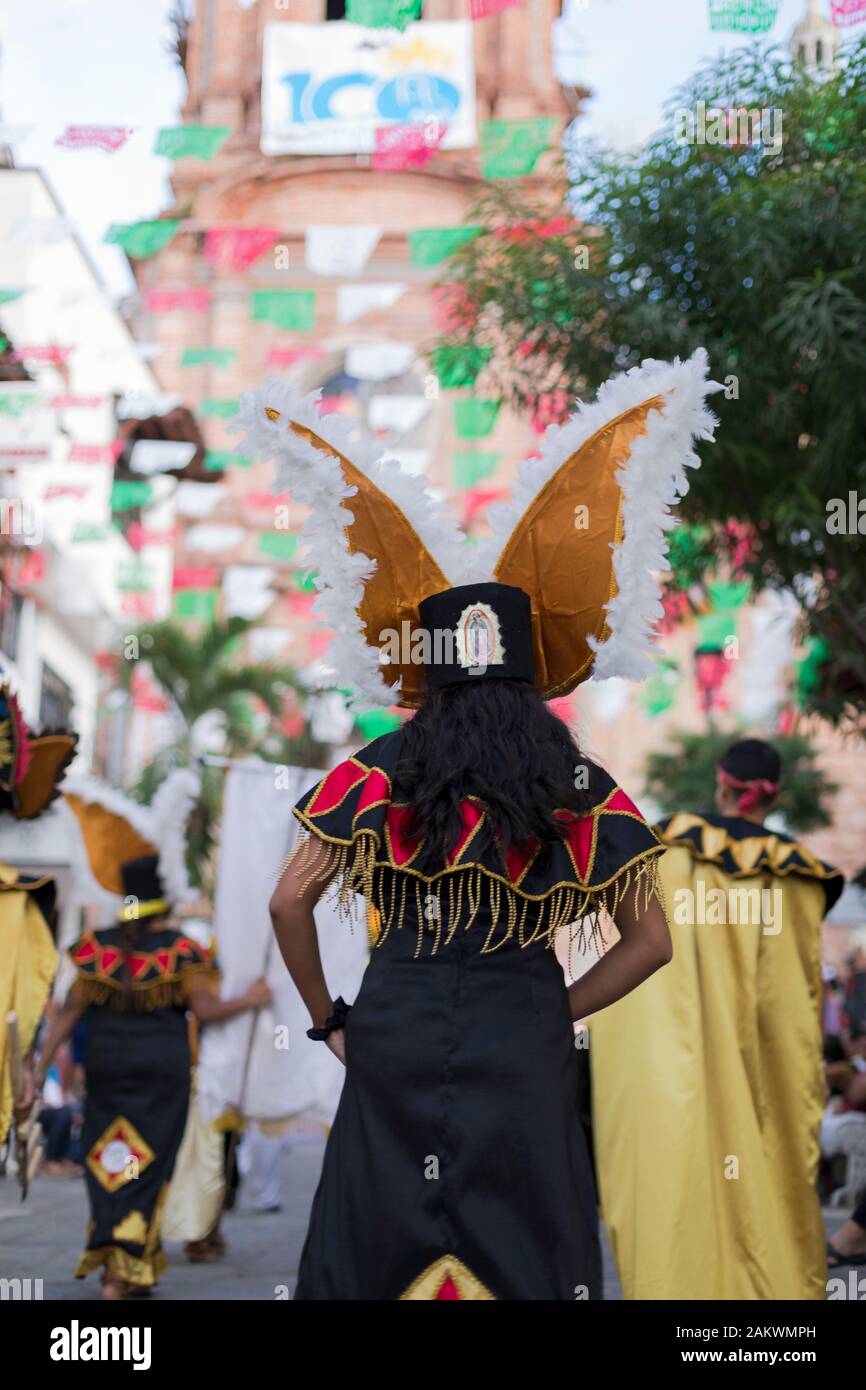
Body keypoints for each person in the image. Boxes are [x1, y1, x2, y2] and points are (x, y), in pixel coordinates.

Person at [244, 350, 721, 1298]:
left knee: (376, 1236)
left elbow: (288, 901)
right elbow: (652, 942)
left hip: (395, 1027)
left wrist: (330, 1020)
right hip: (525, 1034)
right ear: (529, 669)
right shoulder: (574, 782)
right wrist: (556, 1009)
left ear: (429, 666)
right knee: (527, 1231)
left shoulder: (380, 772)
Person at [590, 737, 845, 1300]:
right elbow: (792, 1016)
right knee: (766, 1152)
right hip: (759, 1069)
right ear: (770, 797)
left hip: (669, 1068)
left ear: (722, 785)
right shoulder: (798, 879)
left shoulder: (663, 848)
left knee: (674, 1157)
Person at [35, 852, 271, 1300]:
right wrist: (252, 999)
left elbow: (67, 1015)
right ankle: (120, 1272)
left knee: (111, 1159)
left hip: (106, 1071)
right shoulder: (182, 950)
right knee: (146, 1164)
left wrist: (36, 1065)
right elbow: (205, 1011)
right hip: (162, 1074)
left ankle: (129, 1261)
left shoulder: (95, 947)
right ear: (163, 901)